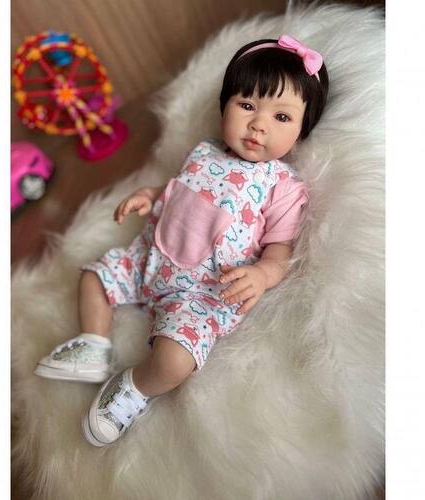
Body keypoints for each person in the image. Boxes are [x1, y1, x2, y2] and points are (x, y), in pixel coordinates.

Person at [35, 35, 329, 447]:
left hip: (201, 292)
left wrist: (263, 275)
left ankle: (134, 387)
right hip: (150, 257)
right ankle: (93, 344)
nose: (259, 124)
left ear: (301, 131)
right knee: (94, 276)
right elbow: (179, 188)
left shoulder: (281, 185)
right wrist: (150, 194)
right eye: (247, 106)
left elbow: (280, 249)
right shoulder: (204, 151)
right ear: (225, 105)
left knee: (175, 362)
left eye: (281, 117)